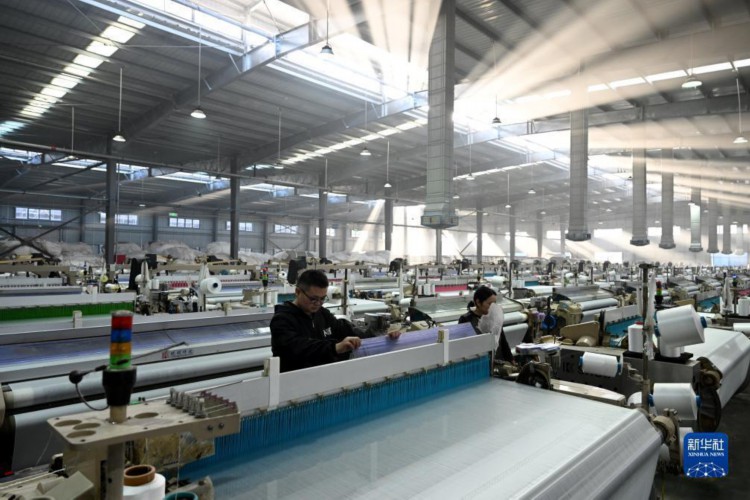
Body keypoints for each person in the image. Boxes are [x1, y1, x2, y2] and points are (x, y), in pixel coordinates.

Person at [271, 269, 400, 372]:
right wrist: (335, 347)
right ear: (297, 292)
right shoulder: (282, 320)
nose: (318, 303)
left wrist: (380, 336)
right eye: (313, 299)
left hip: (325, 380)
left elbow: (346, 330)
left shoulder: (321, 314)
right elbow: (299, 348)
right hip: (293, 384)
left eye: (322, 299)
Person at [458, 286, 514, 362]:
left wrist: (511, 359)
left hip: (498, 362)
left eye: (494, 304)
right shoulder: (466, 320)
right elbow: (463, 347)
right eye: (490, 304)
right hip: (479, 362)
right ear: (478, 302)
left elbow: (503, 341)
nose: (493, 308)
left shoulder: (495, 317)